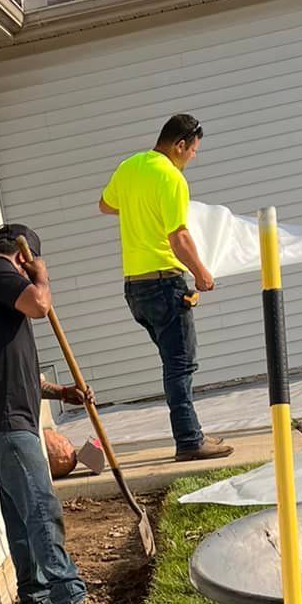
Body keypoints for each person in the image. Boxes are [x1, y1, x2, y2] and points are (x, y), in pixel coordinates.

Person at [0, 224, 125, 604]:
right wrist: (41, 275)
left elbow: (15, 369)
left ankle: (36, 603)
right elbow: (39, 304)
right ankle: (70, 599)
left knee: (21, 514)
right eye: (29, 266)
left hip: (2, 423)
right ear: (23, 257)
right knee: (42, 507)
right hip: (3, 424)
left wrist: (59, 391)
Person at [100, 115, 233, 463]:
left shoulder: (129, 167)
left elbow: (105, 205)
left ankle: (192, 432)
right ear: (179, 145)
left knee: (172, 364)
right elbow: (179, 236)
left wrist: (138, 210)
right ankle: (190, 440)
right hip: (164, 285)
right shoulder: (171, 177)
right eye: (193, 151)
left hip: (135, 289)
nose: (193, 157)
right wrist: (202, 273)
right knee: (180, 366)